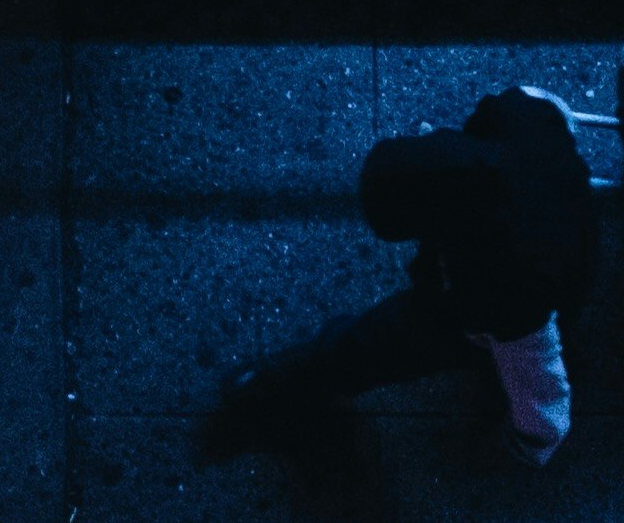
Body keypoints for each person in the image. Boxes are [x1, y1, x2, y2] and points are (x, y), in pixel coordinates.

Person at [212, 86, 599, 468]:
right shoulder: (515, 116)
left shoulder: (511, 283)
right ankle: (286, 381)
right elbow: (539, 103)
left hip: (507, 297)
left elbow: (538, 370)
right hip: (555, 227)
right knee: (384, 340)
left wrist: (533, 440)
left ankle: (286, 386)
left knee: (391, 342)